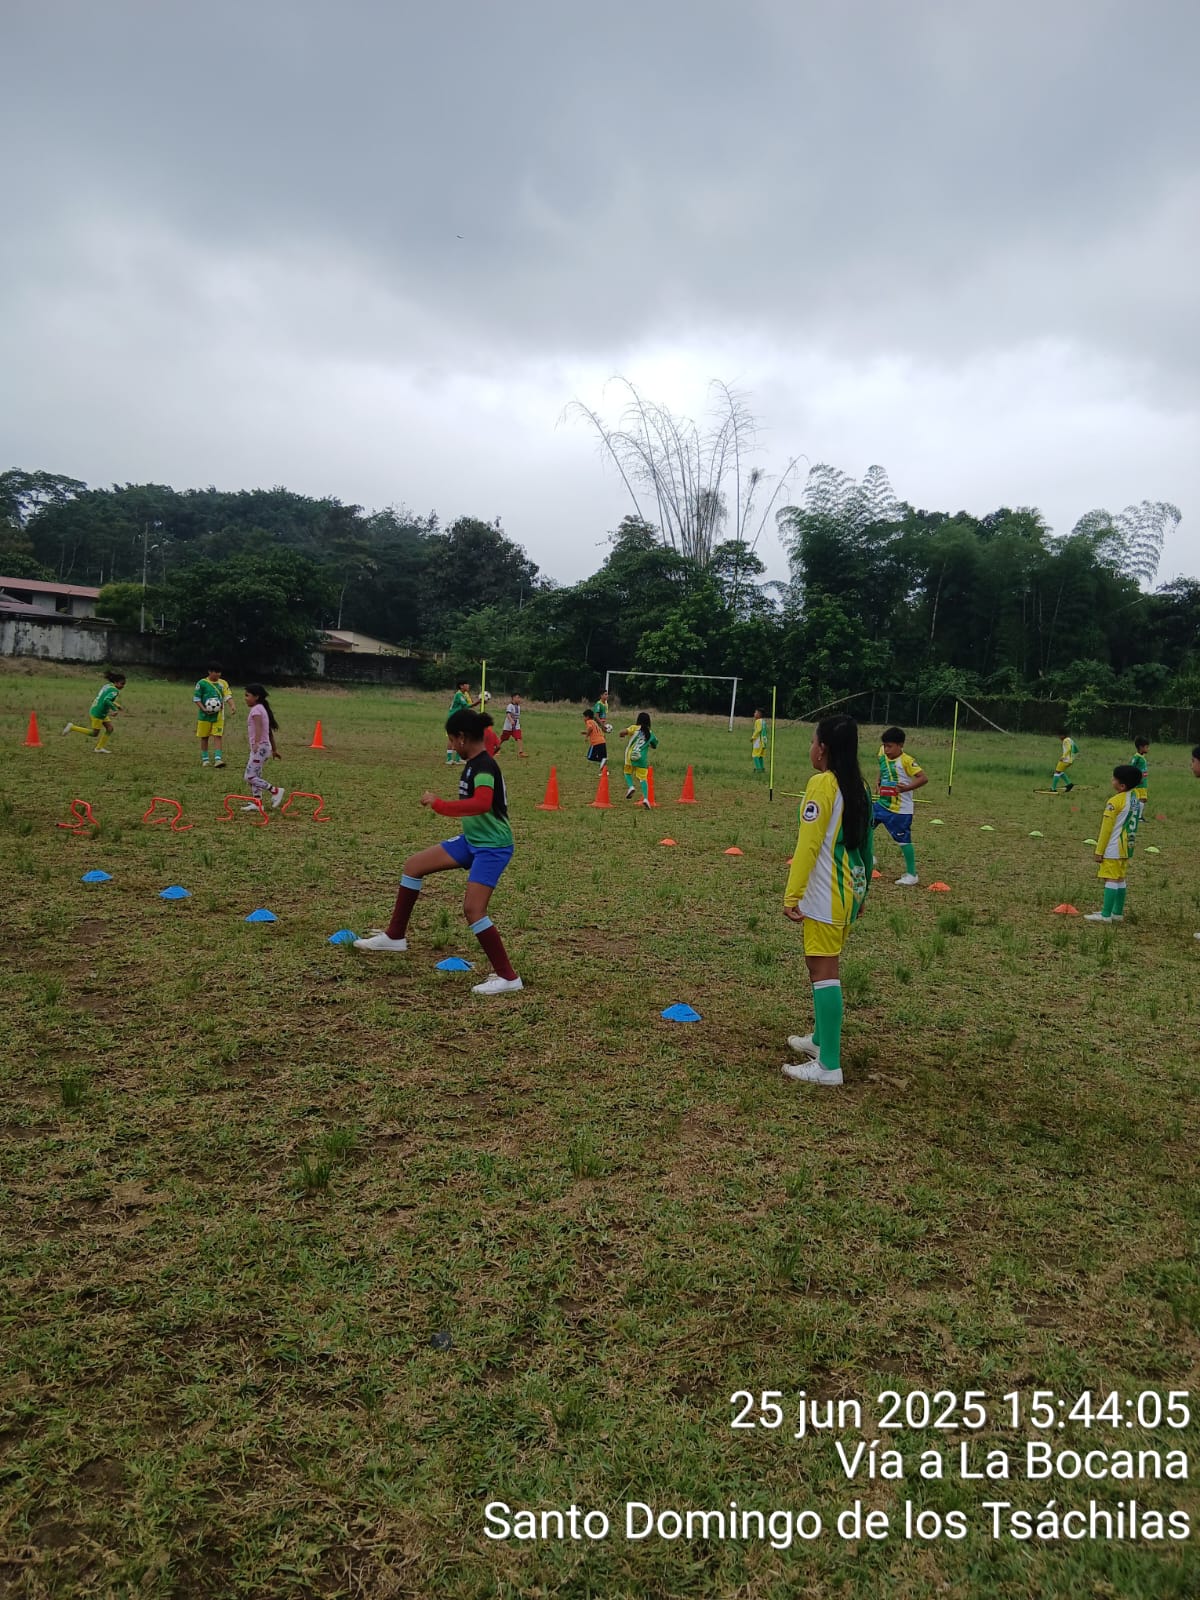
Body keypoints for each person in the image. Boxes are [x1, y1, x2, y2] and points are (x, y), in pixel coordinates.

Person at [355, 708, 523, 995]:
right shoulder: (473, 762)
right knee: (413, 866)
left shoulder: (484, 767)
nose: (450, 745)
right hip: (472, 841)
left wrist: (440, 805)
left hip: (492, 847)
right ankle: (395, 937)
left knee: (473, 909)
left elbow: (482, 803)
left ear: (461, 738)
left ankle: (508, 977)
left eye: (451, 740)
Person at [781, 715, 873, 1087]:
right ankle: (820, 1041)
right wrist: (863, 891)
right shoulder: (860, 787)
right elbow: (866, 846)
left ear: (823, 749)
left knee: (824, 972)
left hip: (826, 896)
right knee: (820, 966)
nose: (811, 748)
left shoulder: (822, 785)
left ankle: (829, 1065)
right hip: (848, 891)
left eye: (812, 741)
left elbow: (808, 845)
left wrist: (792, 894)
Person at [1085, 764, 1142, 923]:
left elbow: (1106, 829)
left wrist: (1099, 850)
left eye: (1114, 779)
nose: (1112, 780)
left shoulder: (1115, 802)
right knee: (1120, 878)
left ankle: (1105, 915)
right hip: (1127, 846)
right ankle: (1116, 912)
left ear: (1122, 785)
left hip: (1114, 847)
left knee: (1110, 879)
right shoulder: (1135, 797)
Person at [873, 726, 928, 885]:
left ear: (900, 745)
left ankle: (912, 874)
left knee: (903, 840)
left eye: (890, 746)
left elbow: (923, 778)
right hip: (881, 804)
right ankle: (869, 856)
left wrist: (906, 788)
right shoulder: (882, 753)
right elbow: (882, 766)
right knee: (864, 825)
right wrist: (878, 780)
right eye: (885, 746)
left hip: (899, 810)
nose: (886, 749)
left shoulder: (907, 761)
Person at [242, 684, 286, 811]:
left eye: (247, 695)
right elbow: (269, 732)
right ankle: (258, 803)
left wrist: (256, 743)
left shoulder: (256, 710)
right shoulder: (262, 709)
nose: (245, 698)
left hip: (260, 748)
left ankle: (275, 790)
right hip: (263, 748)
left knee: (249, 777)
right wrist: (274, 750)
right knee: (255, 776)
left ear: (256, 697)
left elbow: (259, 728)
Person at [62, 670, 126, 754]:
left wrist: (117, 705)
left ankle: (99, 748)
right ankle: (72, 727)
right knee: (94, 733)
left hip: (98, 710)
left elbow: (104, 698)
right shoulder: (115, 691)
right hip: (98, 713)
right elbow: (106, 700)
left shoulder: (108, 686)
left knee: (110, 728)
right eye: (122, 684)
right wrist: (114, 709)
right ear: (116, 682)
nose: (123, 686)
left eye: (124, 684)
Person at [619, 712, 658, 806]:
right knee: (643, 778)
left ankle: (631, 787)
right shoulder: (650, 734)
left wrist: (622, 735)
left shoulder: (634, 728)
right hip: (641, 758)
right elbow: (655, 745)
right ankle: (646, 799)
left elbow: (622, 732)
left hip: (630, 756)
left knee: (627, 772)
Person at [194, 665, 228, 768]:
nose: (218, 674)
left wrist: (232, 705)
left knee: (218, 736)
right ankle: (205, 760)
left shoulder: (222, 683)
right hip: (204, 716)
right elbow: (196, 698)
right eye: (215, 672)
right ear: (209, 671)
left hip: (218, 716)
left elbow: (227, 695)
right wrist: (204, 709)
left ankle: (218, 759)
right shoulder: (202, 683)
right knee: (204, 737)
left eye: (219, 672)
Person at [446, 680, 480, 764]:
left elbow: (466, 707)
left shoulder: (464, 695)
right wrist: (478, 702)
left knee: (460, 737)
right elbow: (466, 706)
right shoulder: (459, 695)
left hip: (459, 718)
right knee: (452, 738)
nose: (468, 686)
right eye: (466, 684)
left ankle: (458, 759)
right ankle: (449, 759)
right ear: (461, 686)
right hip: (453, 718)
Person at [1129, 736, 1149, 819]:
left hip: (1143, 782)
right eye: (1146, 747)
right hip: (1140, 783)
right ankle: (1138, 816)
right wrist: (1135, 778)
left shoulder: (1141, 757)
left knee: (1142, 799)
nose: (1148, 749)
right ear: (1141, 747)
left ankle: (1137, 815)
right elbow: (1131, 767)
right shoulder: (1136, 757)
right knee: (1141, 798)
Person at [751, 709, 769, 775]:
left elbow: (758, 730)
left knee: (755, 755)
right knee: (760, 755)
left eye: (755, 712)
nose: (754, 713)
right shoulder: (763, 721)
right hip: (764, 741)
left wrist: (753, 737)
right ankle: (762, 768)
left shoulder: (758, 721)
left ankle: (758, 769)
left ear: (759, 714)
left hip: (758, 741)